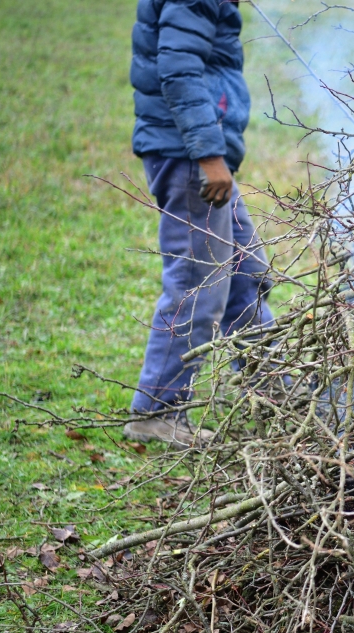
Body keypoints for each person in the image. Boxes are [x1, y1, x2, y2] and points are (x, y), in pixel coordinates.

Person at [122, 0, 273, 448]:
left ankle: (275, 392)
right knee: (197, 283)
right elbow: (178, 68)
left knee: (246, 272)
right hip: (190, 157)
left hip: (196, 153)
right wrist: (209, 157)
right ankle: (156, 411)